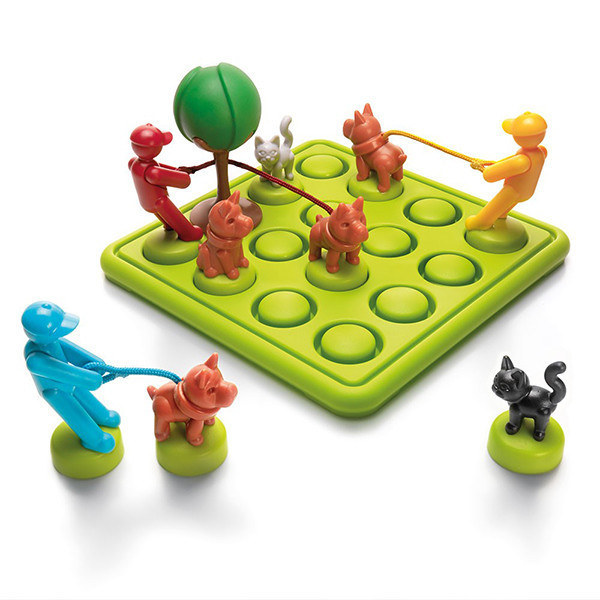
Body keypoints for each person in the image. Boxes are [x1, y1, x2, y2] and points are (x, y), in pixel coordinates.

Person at [22, 302, 120, 453]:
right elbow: (61, 371)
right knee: (73, 412)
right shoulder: (34, 361)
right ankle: (95, 440)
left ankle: (103, 416)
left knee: (85, 396)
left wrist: (96, 363)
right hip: (55, 391)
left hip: (70, 381)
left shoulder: (54, 341)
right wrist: (89, 379)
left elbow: (73, 352)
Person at [465, 112, 547, 231]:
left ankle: (480, 223)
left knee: (496, 205)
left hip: (513, 190)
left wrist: (486, 171)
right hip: (527, 191)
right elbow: (510, 161)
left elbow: (490, 176)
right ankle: (501, 215)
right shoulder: (541, 152)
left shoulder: (522, 160)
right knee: (503, 207)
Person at [129, 124, 203, 241]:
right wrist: (184, 177)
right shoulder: (152, 172)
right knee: (173, 215)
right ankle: (190, 233)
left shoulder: (133, 163)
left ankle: (169, 226)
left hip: (145, 202)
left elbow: (159, 167)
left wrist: (176, 170)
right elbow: (182, 182)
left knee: (165, 217)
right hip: (159, 201)